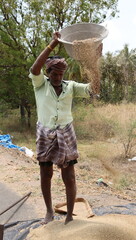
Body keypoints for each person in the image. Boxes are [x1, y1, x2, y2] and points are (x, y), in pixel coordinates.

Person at [29, 31, 101, 225]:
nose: (58, 77)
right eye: (54, 73)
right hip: (45, 132)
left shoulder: (70, 86)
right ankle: (49, 212)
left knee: (68, 175)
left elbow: (93, 89)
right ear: (49, 73)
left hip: (66, 133)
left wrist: (94, 63)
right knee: (46, 174)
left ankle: (69, 215)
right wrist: (52, 44)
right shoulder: (40, 84)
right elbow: (34, 68)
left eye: (61, 74)